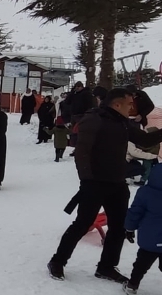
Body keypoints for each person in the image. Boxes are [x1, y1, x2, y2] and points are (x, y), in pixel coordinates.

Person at [47, 88, 162, 282]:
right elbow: (82, 154)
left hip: (117, 182)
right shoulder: (94, 120)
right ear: (117, 105)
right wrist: (87, 181)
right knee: (82, 223)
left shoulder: (122, 122)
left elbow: (144, 140)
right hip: (94, 183)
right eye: (128, 104)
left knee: (119, 227)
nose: (131, 107)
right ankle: (57, 261)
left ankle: (106, 267)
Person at [123, 164, 162, 294]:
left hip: (150, 239)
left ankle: (132, 285)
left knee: (141, 264)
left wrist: (129, 228)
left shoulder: (145, 192)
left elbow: (135, 212)